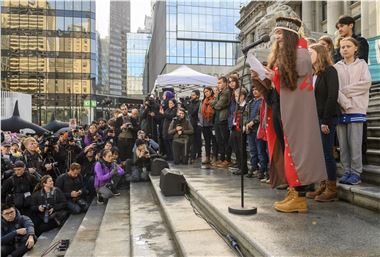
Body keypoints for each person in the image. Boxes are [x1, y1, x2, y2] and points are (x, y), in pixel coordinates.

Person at [251, 16, 327, 213]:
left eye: (280, 32)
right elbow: (283, 83)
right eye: (276, 32)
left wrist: (273, 74)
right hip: (287, 109)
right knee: (290, 151)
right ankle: (293, 192)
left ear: (290, 34)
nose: (276, 36)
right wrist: (269, 75)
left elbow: (291, 78)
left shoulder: (302, 53)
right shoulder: (290, 54)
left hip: (298, 112)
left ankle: (299, 198)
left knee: (297, 152)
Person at [334, 37, 372, 185]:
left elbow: (365, 84)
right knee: (343, 145)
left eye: (348, 46)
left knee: (355, 143)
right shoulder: (336, 67)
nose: (344, 49)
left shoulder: (362, 65)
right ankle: (347, 171)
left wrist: (346, 92)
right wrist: (344, 101)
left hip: (357, 108)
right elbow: (335, 89)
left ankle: (356, 173)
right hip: (341, 109)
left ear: (355, 48)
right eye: (342, 47)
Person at [306, 43, 339, 201]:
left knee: (327, 154)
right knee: (319, 155)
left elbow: (332, 96)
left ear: (319, 54)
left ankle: (332, 189)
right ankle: (323, 185)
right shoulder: (313, 73)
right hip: (315, 118)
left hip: (327, 118)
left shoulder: (330, 71)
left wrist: (325, 121)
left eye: (310, 53)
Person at [244, 87, 268, 180]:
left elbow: (261, 114)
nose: (254, 91)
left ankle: (263, 169)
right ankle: (254, 167)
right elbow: (245, 113)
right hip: (250, 130)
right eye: (253, 89)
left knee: (260, 151)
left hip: (258, 129)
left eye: (256, 89)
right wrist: (246, 123)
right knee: (252, 151)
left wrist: (253, 122)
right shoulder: (250, 102)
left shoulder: (263, 101)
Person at [211, 77, 231, 167]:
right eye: (218, 83)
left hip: (223, 119)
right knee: (219, 140)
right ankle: (222, 158)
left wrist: (215, 103)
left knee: (225, 140)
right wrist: (215, 103)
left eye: (220, 83)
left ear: (225, 83)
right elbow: (213, 103)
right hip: (217, 118)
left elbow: (218, 105)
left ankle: (227, 159)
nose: (218, 85)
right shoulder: (220, 93)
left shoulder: (226, 92)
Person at [228, 88, 248, 175]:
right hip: (234, 128)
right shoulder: (237, 105)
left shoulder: (246, 105)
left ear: (243, 96)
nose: (236, 98)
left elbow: (246, 116)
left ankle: (243, 168)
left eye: (237, 96)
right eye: (235, 96)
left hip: (241, 129)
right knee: (236, 148)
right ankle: (239, 166)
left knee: (241, 149)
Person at [198, 86, 217, 165]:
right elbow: (200, 112)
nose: (206, 93)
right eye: (205, 92)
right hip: (204, 124)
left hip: (212, 124)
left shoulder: (214, 99)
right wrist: (200, 122)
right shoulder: (203, 101)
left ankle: (215, 157)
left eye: (208, 91)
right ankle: (207, 157)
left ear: (211, 91)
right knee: (207, 142)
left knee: (214, 141)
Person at [187, 90, 202, 161]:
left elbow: (193, 112)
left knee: (197, 139)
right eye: (191, 95)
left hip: (197, 123)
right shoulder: (191, 103)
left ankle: (198, 152)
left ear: (197, 96)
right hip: (192, 122)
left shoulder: (199, 103)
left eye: (193, 95)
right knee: (192, 139)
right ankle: (193, 153)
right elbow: (189, 112)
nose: (191, 96)